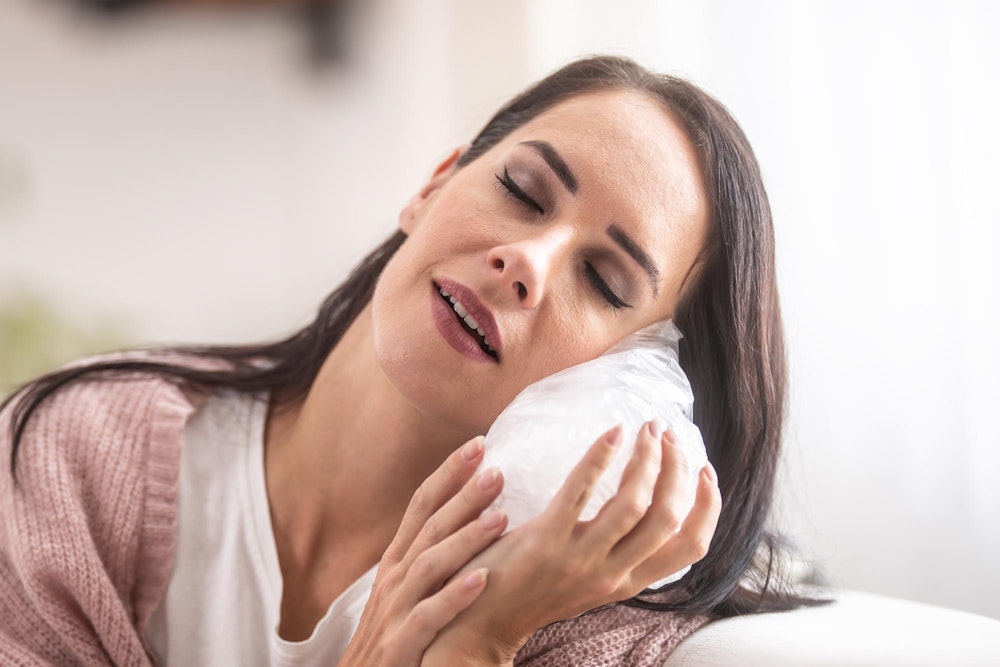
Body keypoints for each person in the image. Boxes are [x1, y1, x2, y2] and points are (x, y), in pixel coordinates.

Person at [0, 55, 813, 666]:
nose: (526, 261)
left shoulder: (584, 621)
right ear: (434, 184)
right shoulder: (76, 457)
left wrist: (481, 638)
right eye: (523, 191)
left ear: (642, 378)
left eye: (603, 280)